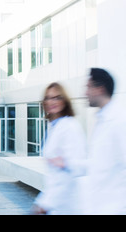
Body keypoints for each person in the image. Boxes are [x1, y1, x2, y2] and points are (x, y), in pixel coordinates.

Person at [31, 82, 87, 215]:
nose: (52, 101)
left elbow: (72, 170)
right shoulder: (54, 126)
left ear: (65, 101)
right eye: (49, 98)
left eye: (57, 97)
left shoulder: (70, 127)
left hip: (68, 203)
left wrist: (45, 204)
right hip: (56, 202)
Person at [83, 68, 126, 215]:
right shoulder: (101, 120)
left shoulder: (120, 121)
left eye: (88, 87)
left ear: (99, 89)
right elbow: (99, 164)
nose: (85, 93)